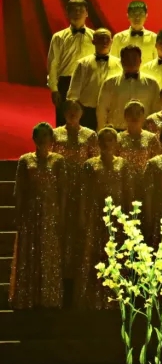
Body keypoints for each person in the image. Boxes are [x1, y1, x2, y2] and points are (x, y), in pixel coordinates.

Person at [75, 127, 132, 309]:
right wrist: (83, 215)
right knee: (96, 254)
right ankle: (94, 297)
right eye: (103, 140)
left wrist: (128, 218)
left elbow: (127, 191)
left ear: (116, 143)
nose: (106, 144)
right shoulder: (90, 164)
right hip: (96, 216)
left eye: (110, 140)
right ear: (98, 143)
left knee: (117, 253)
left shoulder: (123, 164)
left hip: (117, 216)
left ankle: (117, 295)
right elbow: (83, 192)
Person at [11, 123, 66, 309]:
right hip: (30, 214)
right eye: (39, 136)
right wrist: (19, 213)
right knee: (30, 253)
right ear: (34, 139)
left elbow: (63, 190)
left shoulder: (58, 161)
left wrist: (61, 213)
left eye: (46, 136)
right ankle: (28, 296)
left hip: (51, 213)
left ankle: (49, 297)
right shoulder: (25, 160)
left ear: (52, 139)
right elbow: (19, 190)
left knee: (48, 254)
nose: (43, 140)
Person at [52, 100, 97, 285]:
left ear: (82, 112)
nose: (72, 113)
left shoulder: (90, 135)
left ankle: (79, 270)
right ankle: (61, 269)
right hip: (60, 187)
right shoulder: (55, 134)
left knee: (80, 227)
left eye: (76, 109)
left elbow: (95, 162)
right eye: (69, 110)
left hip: (82, 187)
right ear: (64, 113)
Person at [48, 0, 95, 126]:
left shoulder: (94, 36)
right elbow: (53, 64)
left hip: (87, 82)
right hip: (65, 82)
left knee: (88, 120)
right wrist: (54, 89)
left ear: (86, 13)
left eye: (81, 10)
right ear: (67, 13)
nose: (77, 13)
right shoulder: (58, 37)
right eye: (74, 10)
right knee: (63, 121)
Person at [66, 29, 121, 131]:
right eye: (101, 38)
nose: (104, 42)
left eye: (107, 39)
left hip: (111, 111)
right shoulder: (82, 63)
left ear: (111, 41)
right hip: (88, 111)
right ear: (93, 41)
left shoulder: (120, 63)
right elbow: (74, 90)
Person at [97, 45, 160, 129]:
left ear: (140, 60)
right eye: (127, 58)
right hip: (116, 131)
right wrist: (103, 131)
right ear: (121, 61)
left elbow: (157, 111)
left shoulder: (152, 84)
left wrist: (155, 130)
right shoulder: (109, 83)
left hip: (144, 132)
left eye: (134, 58)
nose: (131, 61)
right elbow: (102, 110)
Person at [115, 101, 160, 176]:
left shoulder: (151, 138)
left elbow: (157, 163)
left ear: (143, 117)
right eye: (131, 113)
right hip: (124, 179)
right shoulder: (117, 138)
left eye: (138, 113)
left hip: (145, 179)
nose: (134, 116)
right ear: (125, 116)